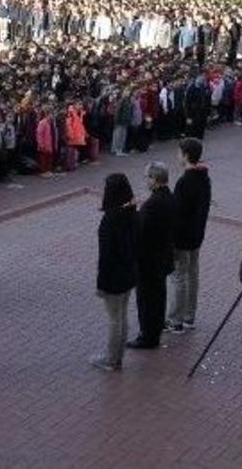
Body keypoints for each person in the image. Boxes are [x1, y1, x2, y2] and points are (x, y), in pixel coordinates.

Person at [92, 173, 138, 372]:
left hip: (113, 275)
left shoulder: (110, 220)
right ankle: (118, 355)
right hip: (129, 272)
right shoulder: (132, 213)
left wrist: (101, 282)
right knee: (122, 315)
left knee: (114, 317)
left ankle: (111, 358)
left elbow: (106, 254)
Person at [128, 161, 175, 350]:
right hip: (163, 256)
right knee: (159, 295)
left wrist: (134, 214)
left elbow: (141, 231)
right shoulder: (170, 198)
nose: (146, 181)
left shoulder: (153, 204)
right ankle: (155, 328)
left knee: (147, 299)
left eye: (147, 177)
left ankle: (148, 335)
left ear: (154, 179)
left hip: (149, 260)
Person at [167, 138, 210, 334]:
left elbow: (177, 213)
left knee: (179, 277)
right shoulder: (204, 178)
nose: (177, 156)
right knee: (193, 274)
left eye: (179, 153)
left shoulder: (184, 182)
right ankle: (189, 316)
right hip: (197, 234)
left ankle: (175, 320)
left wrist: (172, 238)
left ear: (186, 155)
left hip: (182, 238)